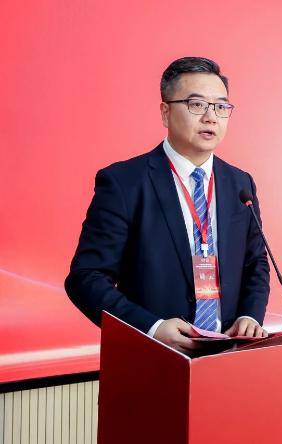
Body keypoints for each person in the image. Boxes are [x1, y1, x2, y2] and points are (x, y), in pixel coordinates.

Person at [65, 57, 270, 355]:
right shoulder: (124, 183)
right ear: (165, 112)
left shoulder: (239, 183)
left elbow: (255, 263)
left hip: (228, 356)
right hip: (152, 359)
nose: (211, 117)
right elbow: (86, 278)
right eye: (197, 104)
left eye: (220, 106)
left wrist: (250, 316)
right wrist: (151, 328)